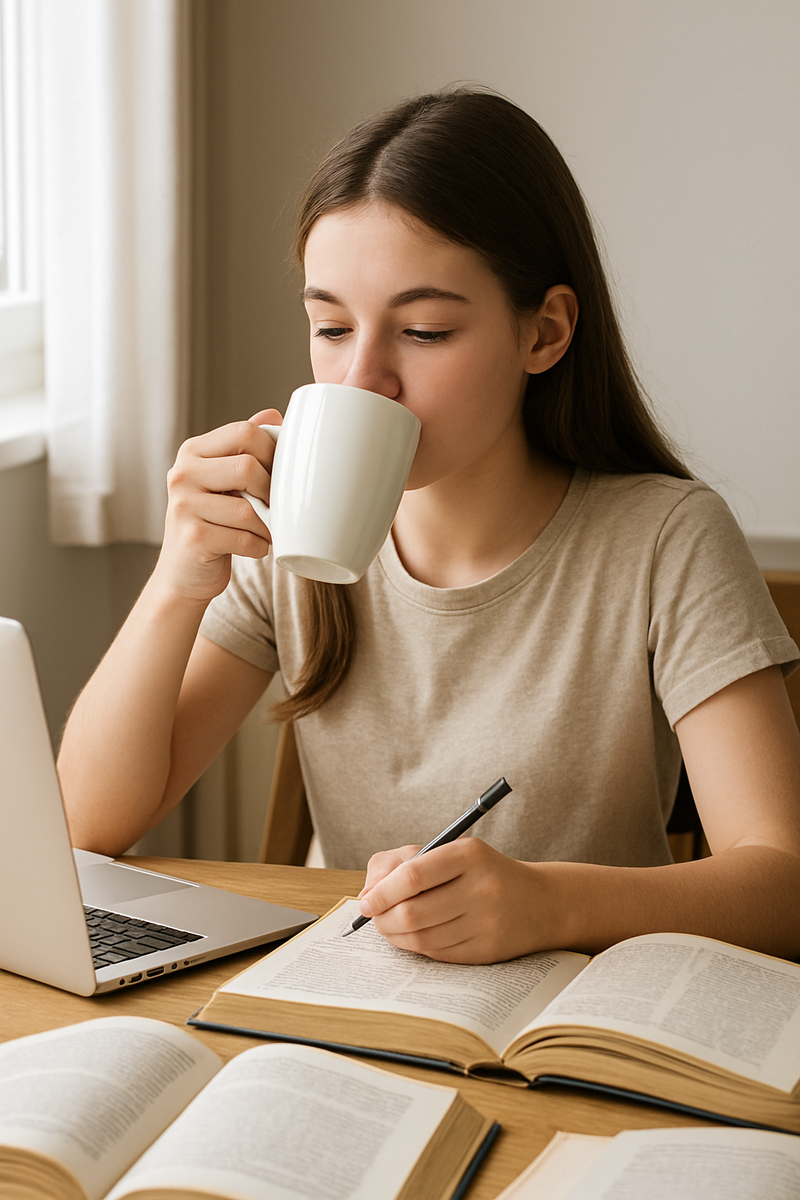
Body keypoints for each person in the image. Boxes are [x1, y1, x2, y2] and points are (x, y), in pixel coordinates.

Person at [58, 87, 800, 966]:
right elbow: (87, 824)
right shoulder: (293, 527)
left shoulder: (664, 539)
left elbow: (780, 884)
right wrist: (176, 581)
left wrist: (546, 901)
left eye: (424, 330)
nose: (363, 377)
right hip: (358, 1006)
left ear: (546, 332)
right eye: (331, 327)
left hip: (578, 1023)